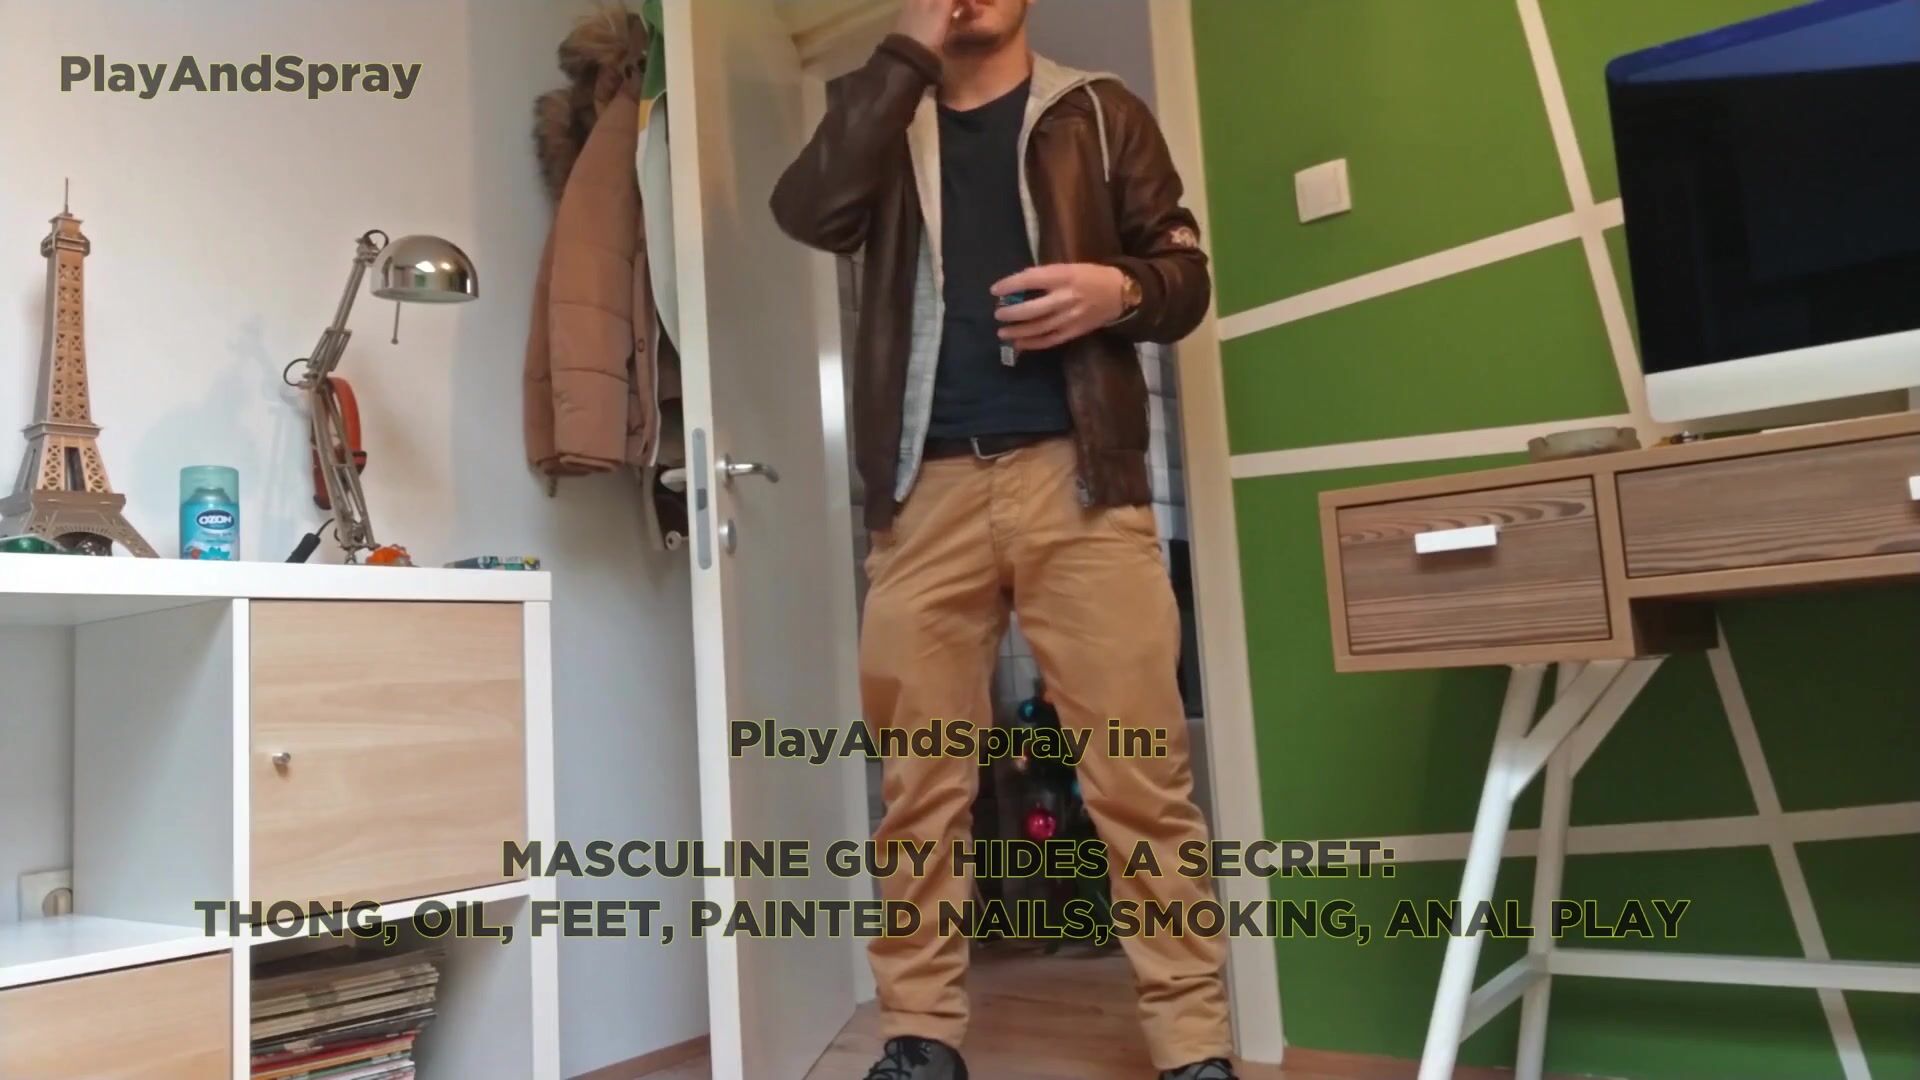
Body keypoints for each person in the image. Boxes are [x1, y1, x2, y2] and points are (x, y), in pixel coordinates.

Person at [771, 1, 1233, 1077]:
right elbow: (810, 209)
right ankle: (920, 1041)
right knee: (920, 787)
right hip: (922, 492)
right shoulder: (883, 117)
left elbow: (1184, 275)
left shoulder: (1099, 111)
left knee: (1139, 778)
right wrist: (908, 47)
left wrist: (1118, 288)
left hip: (1084, 481)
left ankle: (1193, 1047)